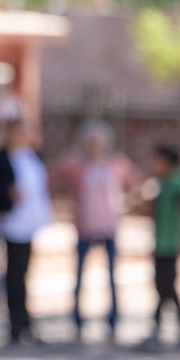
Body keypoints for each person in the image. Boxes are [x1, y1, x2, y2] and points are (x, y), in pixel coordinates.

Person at [50, 120, 136, 340]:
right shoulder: (76, 164)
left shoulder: (117, 163)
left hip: (109, 228)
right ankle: (77, 322)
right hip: (85, 228)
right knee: (79, 276)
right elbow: (54, 178)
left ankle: (113, 321)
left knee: (112, 277)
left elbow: (137, 184)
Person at [0, 119, 53, 345]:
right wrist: (8, 194)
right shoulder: (0, 157)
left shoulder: (32, 157)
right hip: (11, 221)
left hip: (29, 221)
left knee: (22, 272)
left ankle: (23, 321)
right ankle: (16, 323)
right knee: (14, 273)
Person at [140, 144, 180, 350]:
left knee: (165, 287)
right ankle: (158, 328)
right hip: (161, 243)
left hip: (171, 243)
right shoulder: (162, 184)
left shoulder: (176, 184)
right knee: (164, 287)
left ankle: (156, 329)